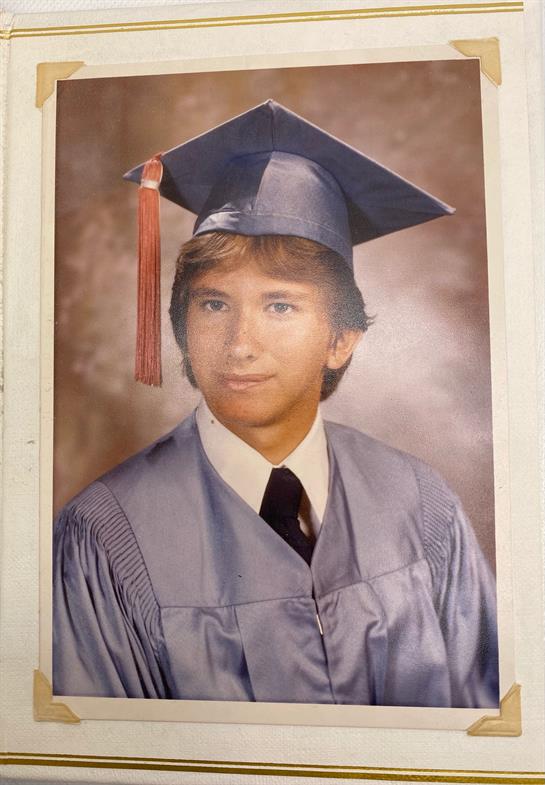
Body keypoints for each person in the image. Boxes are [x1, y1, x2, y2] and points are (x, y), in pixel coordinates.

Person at [53, 100, 499, 707]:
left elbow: (487, 727)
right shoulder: (105, 538)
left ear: (341, 340)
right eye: (213, 305)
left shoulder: (422, 505)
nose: (240, 345)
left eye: (280, 306)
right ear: (181, 325)